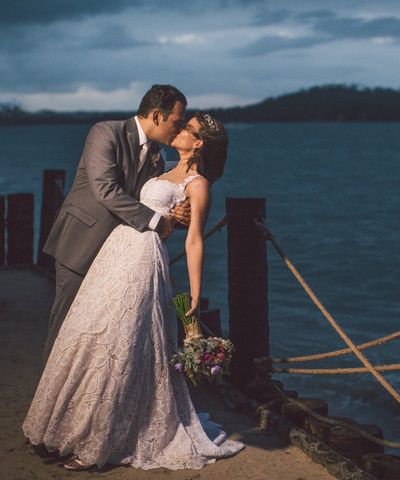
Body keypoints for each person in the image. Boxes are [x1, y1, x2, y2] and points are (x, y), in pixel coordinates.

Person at [23, 112, 245, 470]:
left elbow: (194, 242)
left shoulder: (198, 184)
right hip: (115, 251)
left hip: (144, 258)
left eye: (187, 129)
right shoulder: (160, 164)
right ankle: (68, 431)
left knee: (121, 343)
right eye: (181, 123)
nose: (179, 130)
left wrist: (194, 294)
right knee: (91, 334)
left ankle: (98, 441)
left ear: (199, 143)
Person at [41, 84, 191, 366]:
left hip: (116, 259)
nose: (179, 127)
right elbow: (104, 190)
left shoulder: (158, 158)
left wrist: (177, 215)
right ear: (157, 116)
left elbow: (148, 201)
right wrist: (159, 221)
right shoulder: (105, 132)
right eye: (177, 121)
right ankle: (47, 403)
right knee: (64, 329)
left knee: (96, 335)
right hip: (80, 246)